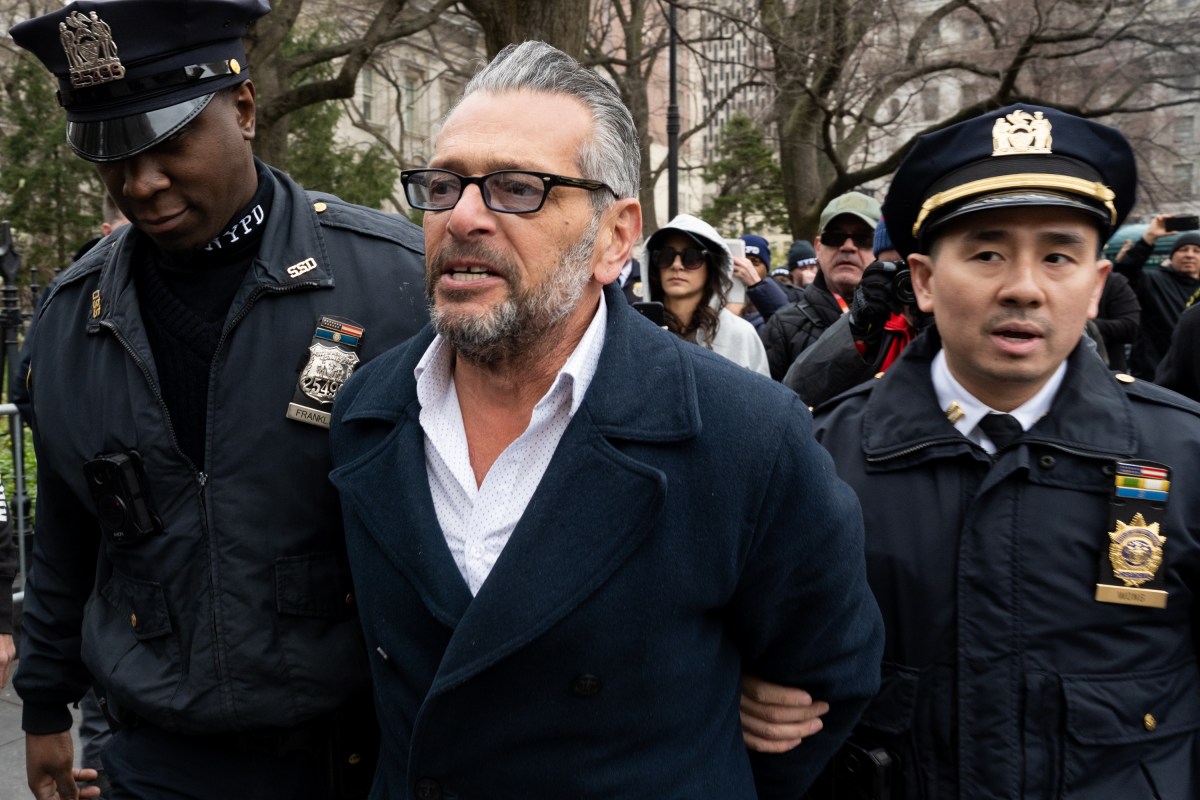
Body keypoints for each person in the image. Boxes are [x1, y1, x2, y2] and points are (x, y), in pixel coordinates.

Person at [328, 41, 882, 799]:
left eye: (516, 189)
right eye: (443, 185)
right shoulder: (366, 410)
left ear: (616, 237)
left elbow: (827, 679)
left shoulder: (745, 435)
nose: (462, 217)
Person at [9, 2, 428, 798]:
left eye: (166, 144)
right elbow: (67, 531)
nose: (140, 183)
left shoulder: (396, 286)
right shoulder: (70, 324)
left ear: (242, 109)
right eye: (111, 155)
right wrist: (42, 706)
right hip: (156, 755)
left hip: (360, 750)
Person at [812, 103, 1200, 797]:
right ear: (925, 282)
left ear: (1096, 287)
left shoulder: (1187, 457)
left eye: (1058, 255)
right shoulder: (823, 462)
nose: (1023, 286)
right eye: (987, 253)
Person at [782, 218, 927, 406]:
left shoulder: (961, 322)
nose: (905, 283)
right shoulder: (876, 326)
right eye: (894, 271)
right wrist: (855, 328)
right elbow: (797, 391)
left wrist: (934, 333)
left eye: (913, 271)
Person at [761, 192, 881, 380]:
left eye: (863, 238)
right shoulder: (782, 326)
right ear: (818, 247)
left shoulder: (902, 322)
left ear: (880, 246)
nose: (848, 247)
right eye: (834, 237)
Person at [644, 215, 769, 374]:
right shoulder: (633, 330)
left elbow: (761, 397)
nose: (676, 265)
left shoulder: (741, 334)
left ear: (712, 266)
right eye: (665, 256)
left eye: (692, 257)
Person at [1114, 215, 1200, 378]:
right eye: (1183, 249)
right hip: (1154, 377)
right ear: (1172, 256)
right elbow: (1124, 274)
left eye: (1197, 251)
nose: (1190, 255)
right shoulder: (1153, 281)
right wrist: (1149, 238)